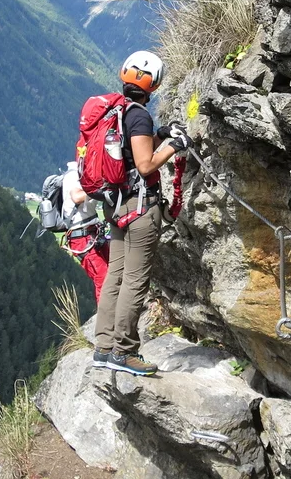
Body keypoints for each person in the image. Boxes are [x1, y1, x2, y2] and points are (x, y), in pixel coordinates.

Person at [92, 51, 192, 377]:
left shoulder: (115, 110)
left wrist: (159, 135)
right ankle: (125, 352)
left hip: (115, 204)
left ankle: (104, 347)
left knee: (115, 277)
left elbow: (130, 152)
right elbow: (146, 163)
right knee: (135, 281)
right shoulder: (139, 116)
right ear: (155, 84)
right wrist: (173, 146)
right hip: (139, 208)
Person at [61, 160, 110, 303]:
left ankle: (111, 313)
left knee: (111, 271)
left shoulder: (83, 172)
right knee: (103, 277)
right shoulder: (74, 175)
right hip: (81, 236)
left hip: (90, 232)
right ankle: (106, 318)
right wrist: (100, 191)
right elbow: (76, 197)